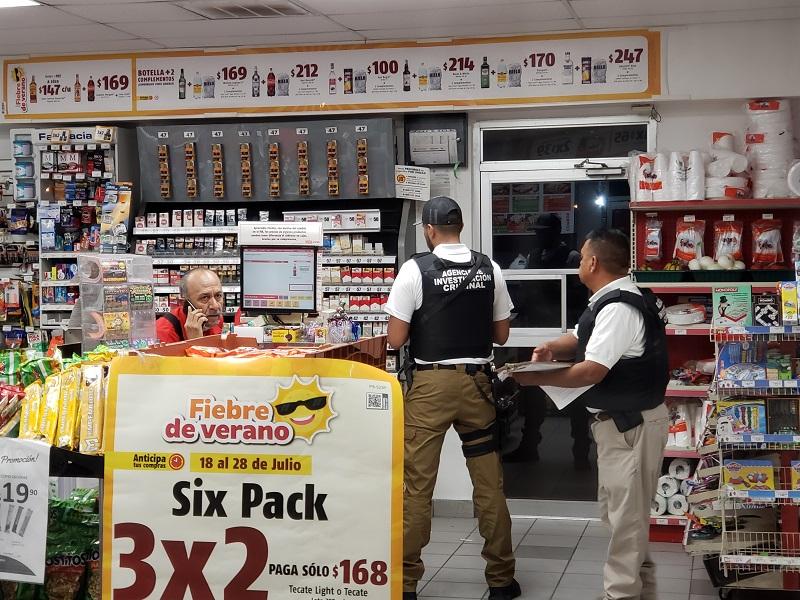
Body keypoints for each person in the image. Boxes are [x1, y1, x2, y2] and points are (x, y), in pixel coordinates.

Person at [510, 229, 669, 600]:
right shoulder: (617, 298)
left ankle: (621, 595)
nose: (579, 263)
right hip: (624, 427)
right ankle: (638, 592)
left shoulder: (617, 307)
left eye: (582, 257)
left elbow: (592, 370)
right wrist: (552, 345)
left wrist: (533, 379)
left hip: (631, 427)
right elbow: (584, 335)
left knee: (625, 523)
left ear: (594, 262)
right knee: (623, 518)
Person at [385, 196, 519, 600]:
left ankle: (406, 584)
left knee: (417, 486)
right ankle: (501, 580)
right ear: (459, 227)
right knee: (489, 485)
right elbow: (501, 336)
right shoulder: (489, 267)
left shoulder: (415, 269)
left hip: (430, 389)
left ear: (429, 230)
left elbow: (395, 339)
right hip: (478, 386)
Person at [156, 268, 224, 343]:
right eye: (204, 297)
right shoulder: (165, 332)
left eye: (218, 296)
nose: (215, 306)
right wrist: (196, 342)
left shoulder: (215, 319)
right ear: (184, 302)